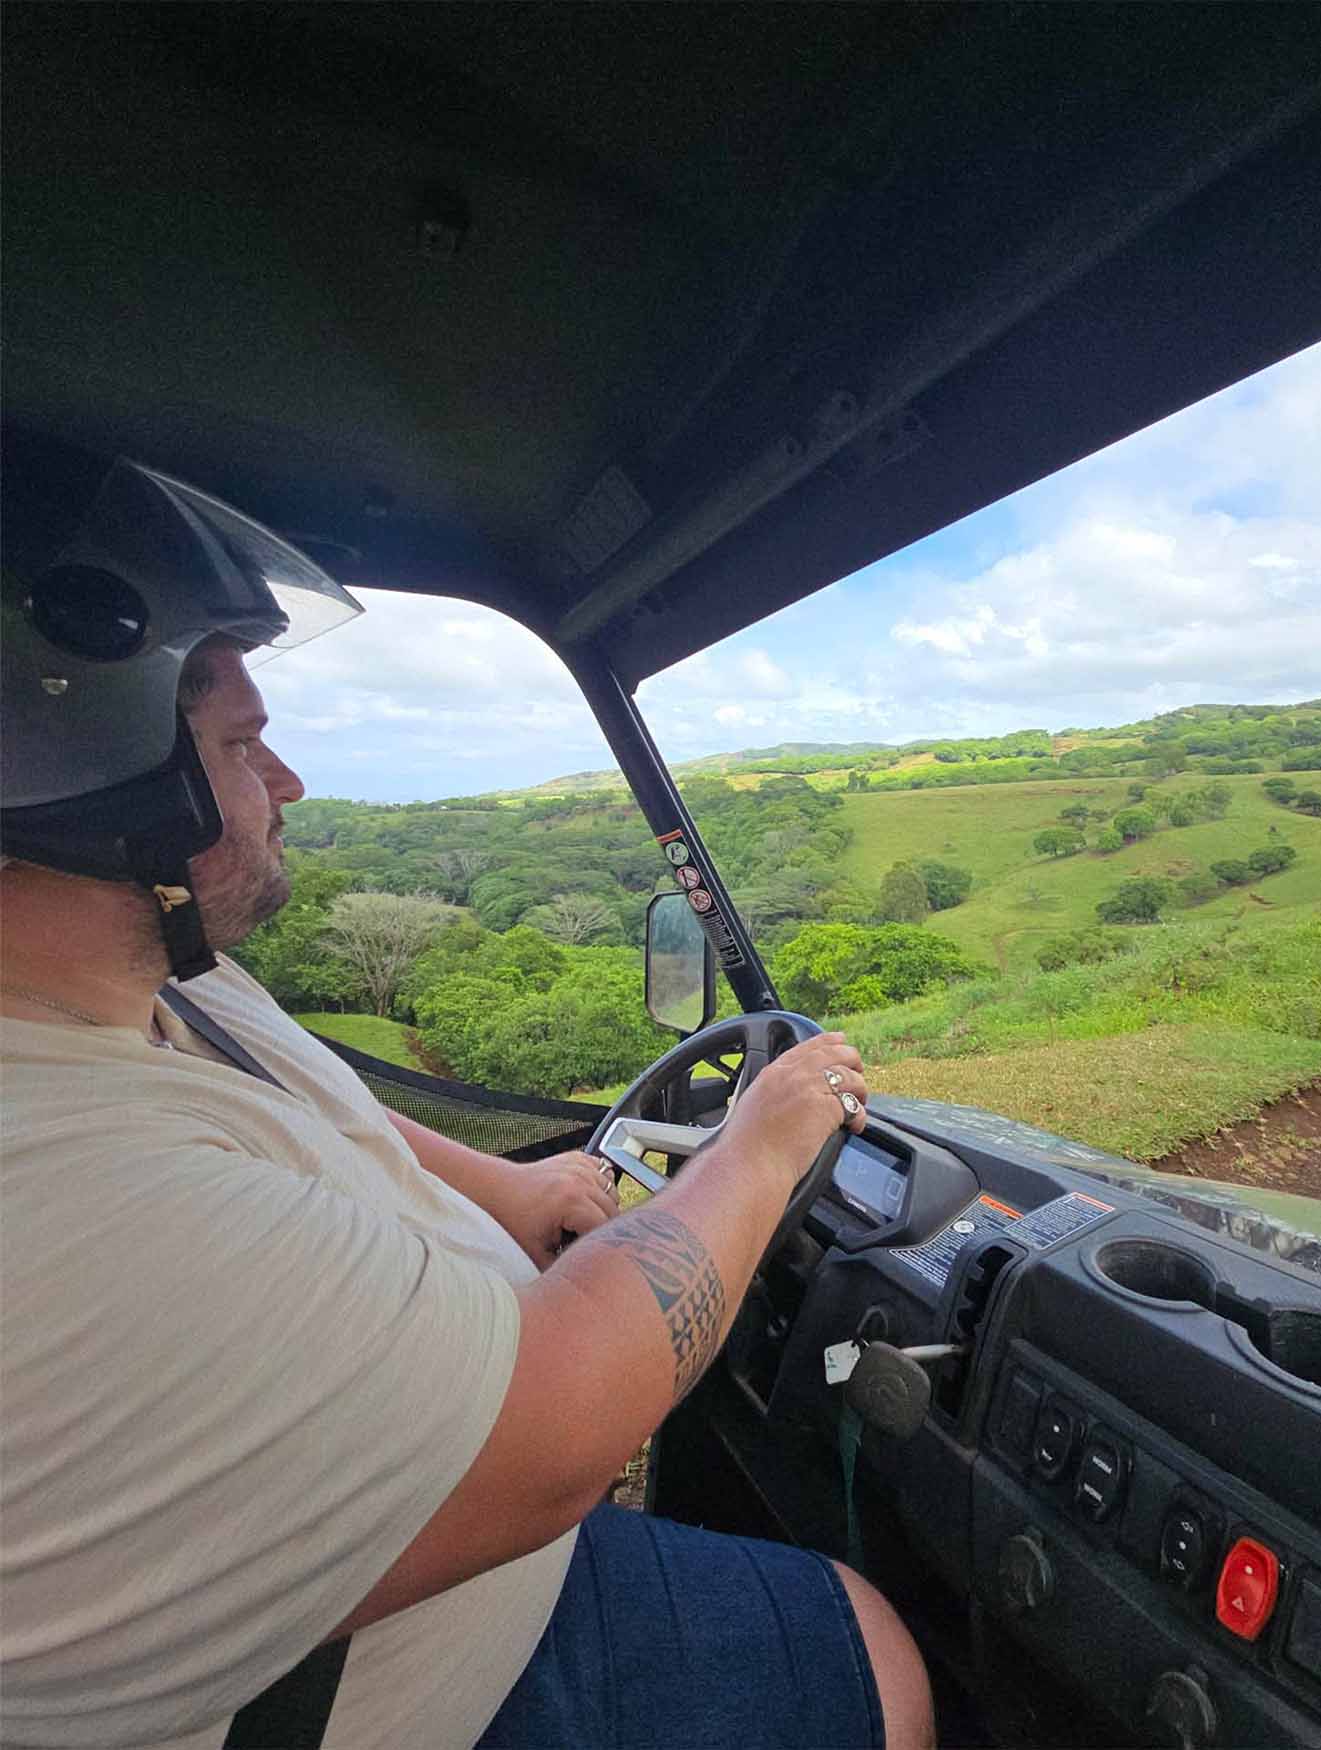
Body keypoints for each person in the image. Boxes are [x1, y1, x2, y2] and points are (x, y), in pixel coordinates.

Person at [0, 431, 934, 1749]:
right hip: (407, 1683)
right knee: (870, 1644)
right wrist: (764, 1146)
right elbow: (564, 1419)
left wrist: (516, 1186)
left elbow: (317, 1108)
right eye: (239, 741)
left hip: (431, 1567)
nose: (287, 782)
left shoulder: (169, 989)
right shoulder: (64, 1197)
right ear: (94, 775)